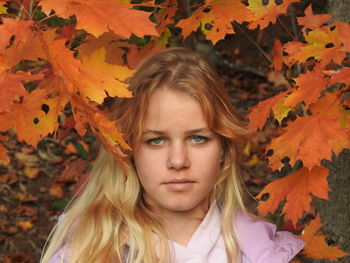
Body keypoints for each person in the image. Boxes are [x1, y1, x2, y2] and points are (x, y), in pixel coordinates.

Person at [41, 47, 304, 263]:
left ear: (223, 149)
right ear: (127, 149)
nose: (178, 161)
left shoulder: (261, 254)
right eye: (156, 140)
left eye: (198, 138)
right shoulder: (86, 251)